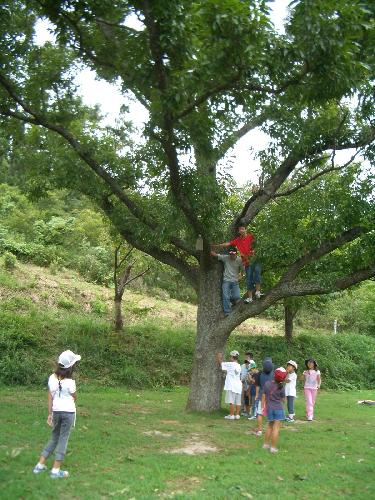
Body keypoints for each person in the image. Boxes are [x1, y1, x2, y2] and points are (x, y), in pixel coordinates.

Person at [33, 350, 81, 478]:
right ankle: (55, 470)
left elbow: (50, 397)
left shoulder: (51, 378)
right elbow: (74, 397)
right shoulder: (71, 382)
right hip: (68, 413)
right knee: (63, 438)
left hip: (56, 411)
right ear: (71, 367)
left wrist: (50, 414)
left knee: (54, 437)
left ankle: (40, 465)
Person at [212, 225, 261, 303]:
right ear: (239, 231)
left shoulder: (251, 236)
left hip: (254, 259)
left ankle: (258, 291)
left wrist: (254, 251)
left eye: (242, 229)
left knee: (257, 272)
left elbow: (257, 244)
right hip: (247, 262)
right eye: (240, 229)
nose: (241, 230)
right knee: (249, 280)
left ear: (245, 230)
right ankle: (250, 298)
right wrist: (218, 246)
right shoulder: (238, 240)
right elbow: (228, 244)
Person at [210, 246, 244, 316]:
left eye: (233, 254)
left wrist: (240, 277)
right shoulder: (226, 258)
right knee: (225, 296)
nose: (231, 255)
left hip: (235, 281)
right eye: (230, 254)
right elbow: (216, 255)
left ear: (236, 253)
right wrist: (207, 248)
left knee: (237, 297)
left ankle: (231, 302)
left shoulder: (240, 260)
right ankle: (227, 312)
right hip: (226, 281)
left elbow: (243, 271)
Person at [262, 367, 287, 453]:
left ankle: (265, 444)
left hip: (270, 408)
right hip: (278, 409)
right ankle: (273, 447)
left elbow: (264, 396)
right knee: (276, 428)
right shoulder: (281, 387)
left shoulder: (267, 384)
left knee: (269, 426)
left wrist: (263, 406)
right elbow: (284, 400)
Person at [251, 357, 274, 435]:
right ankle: (271, 430)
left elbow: (257, 385)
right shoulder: (274, 374)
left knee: (260, 413)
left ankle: (260, 430)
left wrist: (257, 395)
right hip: (272, 397)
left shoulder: (259, 374)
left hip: (262, 396)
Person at [217, 350, 243, 420]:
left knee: (231, 401)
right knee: (238, 401)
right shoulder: (239, 365)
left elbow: (221, 363)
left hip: (232, 385)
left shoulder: (230, 364)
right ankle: (237, 415)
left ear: (232, 357)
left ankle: (231, 415)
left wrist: (219, 357)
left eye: (230, 356)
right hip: (238, 385)